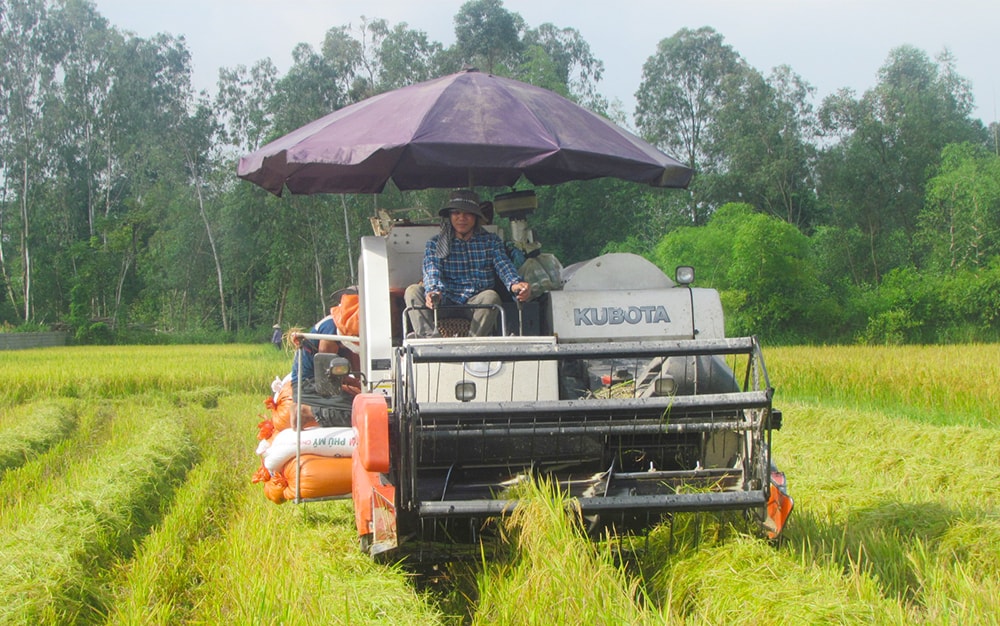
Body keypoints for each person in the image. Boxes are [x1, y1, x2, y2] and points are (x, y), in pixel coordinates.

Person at [404, 189, 530, 337]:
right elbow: (432, 270)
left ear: (476, 217)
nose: (461, 218)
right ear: (450, 216)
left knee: (491, 296)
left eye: (467, 213)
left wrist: (516, 284)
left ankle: (473, 345)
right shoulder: (435, 243)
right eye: (456, 213)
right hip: (444, 300)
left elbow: (504, 266)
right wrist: (433, 292)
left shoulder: (491, 241)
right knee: (412, 291)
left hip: (476, 302)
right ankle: (430, 341)